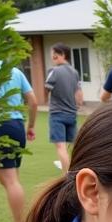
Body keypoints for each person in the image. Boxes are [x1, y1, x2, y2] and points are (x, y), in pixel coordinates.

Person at [0, 64, 38, 222]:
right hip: (17, 125)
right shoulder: (15, 71)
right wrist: (30, 126)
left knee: (10, 181)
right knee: (11, 178)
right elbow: (33, 101)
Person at [45, 44, 83, 172]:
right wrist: (77, 106)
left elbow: (47, 88)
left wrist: (46, 99)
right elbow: (79, 94)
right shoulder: (74, 72)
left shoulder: (54, 71)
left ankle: (66, 176)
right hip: (72, 114)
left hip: (57, 114)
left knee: (60, 147)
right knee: (73, 146)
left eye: (54, 54)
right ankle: (76, 171)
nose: (52, 57)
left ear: (62, 55)